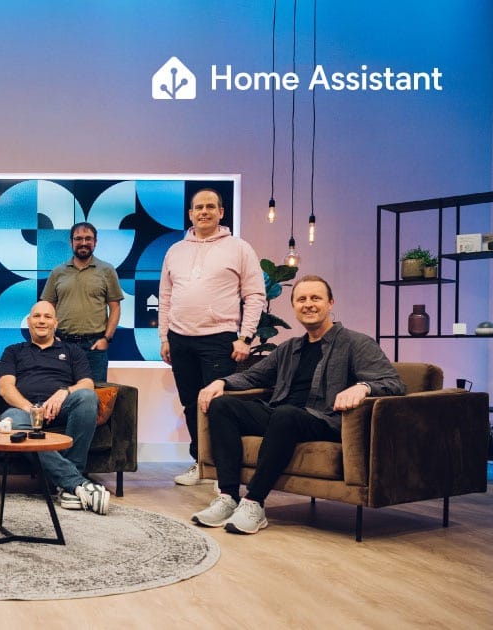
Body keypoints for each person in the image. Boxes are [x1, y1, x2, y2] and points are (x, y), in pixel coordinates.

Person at [191, 275, 405, 534]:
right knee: (222, 406)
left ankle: (254, 502)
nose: (308, 304)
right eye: (301, 299)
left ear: (330, 303)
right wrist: (221, 382)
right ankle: (228, 497)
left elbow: (393, 383)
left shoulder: (356, 343)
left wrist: (363, 387)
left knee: (286, 414)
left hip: (325, 420)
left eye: (316, 298)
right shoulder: (290, 347)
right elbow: (253, 376)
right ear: (294, 306)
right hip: (282, 417)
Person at [159, 188, 265, 487]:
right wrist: (165, 337)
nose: (203, 212)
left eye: (209, 207)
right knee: (191, 405)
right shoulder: (175, 250)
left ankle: (223, 470)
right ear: (190, 214)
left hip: (219, 339)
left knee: (218, 406)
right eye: (198, 207)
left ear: (221, 212)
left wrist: (245, 337)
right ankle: (201, 463)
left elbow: (255, 295)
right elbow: (165, 298)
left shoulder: (239, 248)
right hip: (180, 339)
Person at [0, 301, 111, 515]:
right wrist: (31, 409)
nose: (42, 321)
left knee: (87, 397)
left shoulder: (72, 351)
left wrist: (65, 391)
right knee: (11, 425)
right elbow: (5, 388)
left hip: (62, 409)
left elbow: (87, 383)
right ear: (29, 322)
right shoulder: (13, 351)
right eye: (37, 316)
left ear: (56, 323)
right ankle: (74, 483)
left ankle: (69, 481)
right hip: (23, 411)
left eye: (47, 317)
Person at [41, 222, 124, 384]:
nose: (83, 243)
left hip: (94, 347)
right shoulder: (58, 272)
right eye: (78, 239)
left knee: (94, 393)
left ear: (95, 242)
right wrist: (51, 336)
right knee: (60, 391)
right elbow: (47, 307)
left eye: (88, 238)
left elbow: (115, 308)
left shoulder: (107, 270)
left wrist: (106, 339)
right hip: (62, 344)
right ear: (71, 242)